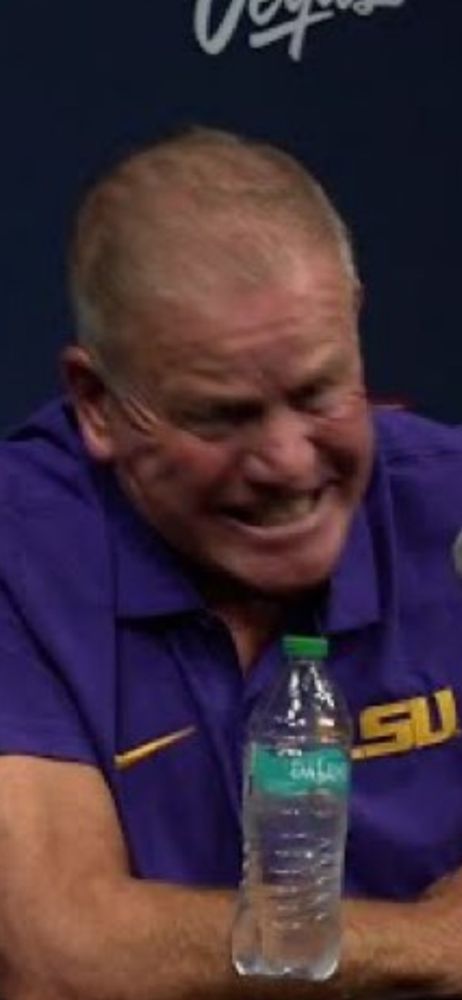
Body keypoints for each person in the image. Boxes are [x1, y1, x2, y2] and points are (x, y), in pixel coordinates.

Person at [0, 126, 461, 1000]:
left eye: (318, 392)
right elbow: (61, 957)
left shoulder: (448, 505)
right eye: (224, 416)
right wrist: (433, 944)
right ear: (97, 403)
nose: (288, 462)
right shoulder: (20, 552)